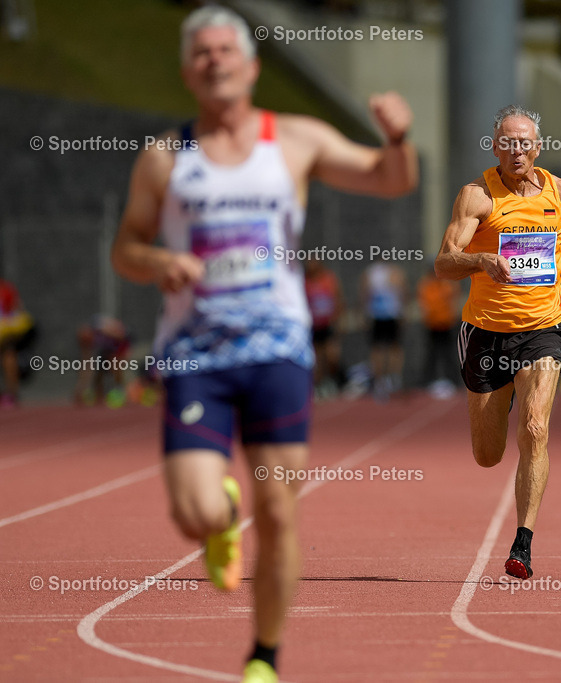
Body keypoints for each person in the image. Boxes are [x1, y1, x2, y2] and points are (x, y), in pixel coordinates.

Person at [109, 7, 417, 682]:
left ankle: (264, 656)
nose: (215, 59)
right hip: (195, 351)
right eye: (202, 53)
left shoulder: (296, 139)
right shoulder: (166, 156)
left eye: (227, 49)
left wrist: (399, 138)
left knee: (277, 507)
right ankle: (219, 520)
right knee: (194, 511)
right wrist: (157, 261)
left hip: (277, 347)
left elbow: (392, 180)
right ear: (189, 71)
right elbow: (126, 247)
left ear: (250, 66)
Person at [435, 104, 561, 580]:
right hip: (486, 332)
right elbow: (444, 263)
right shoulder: (477, 196)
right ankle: (501, 398)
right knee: (488, 456)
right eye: (507, 142)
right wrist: (481, 260)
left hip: (544, 328)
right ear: (495, 147)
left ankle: (522, 543)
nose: (516, 150)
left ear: (538, 147)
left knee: (536, 428)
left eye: (524, 142)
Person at [361, 261, 406, 401]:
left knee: (385, 349)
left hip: (384, 314)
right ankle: (387, 380)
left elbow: (364, 293)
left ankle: (388, 379)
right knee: (387, 349)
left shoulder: (373, 273)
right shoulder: (392, 272)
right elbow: (403, 291)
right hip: (384, 315)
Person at [304, 258, 344, 397]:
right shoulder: (305, 281)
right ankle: (318, 384)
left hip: (328, 323)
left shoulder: (329, 279)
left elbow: (338, 298)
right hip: (313, 325)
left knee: (331, 355)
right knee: (316, 357)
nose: (311, 264)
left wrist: (338, 318)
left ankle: (330, 380)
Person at [73, 315, 132, 407]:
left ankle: (121, 391)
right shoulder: (86, 339)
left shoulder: (106, 331)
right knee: (98, 372)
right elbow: (86, 364)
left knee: (116, 369)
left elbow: (122, 337)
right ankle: (98, 394)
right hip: (107, 348)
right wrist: (80, 386)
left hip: (120, 343)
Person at [417, 270, 459, 397]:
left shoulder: (446, 284)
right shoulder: (426, 285)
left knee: (448, 354)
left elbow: (452, 299)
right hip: (433, 325)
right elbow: (426, 304)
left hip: (446, 323)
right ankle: (428, 381)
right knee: (432, 354)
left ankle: (454, 380)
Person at [0, 278, 33, 408]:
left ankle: (12, 393)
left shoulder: (5, 290)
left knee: (9, 355)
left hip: (6, 337)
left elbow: (18, 314)